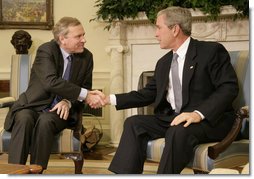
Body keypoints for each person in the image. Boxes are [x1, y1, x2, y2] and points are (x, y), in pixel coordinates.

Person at [103, 6, 239, 174]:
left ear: (175, 29)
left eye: (159, 27)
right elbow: (147, 94)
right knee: (133, 123)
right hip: (175, 118)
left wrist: (197, 113)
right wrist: (109, 99)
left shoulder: (210, 51)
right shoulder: (164, 62)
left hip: (209, 120)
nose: (156, 33)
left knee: (177, 131)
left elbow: (228, 87)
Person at [4, 17, 104, 172]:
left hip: (59, 112)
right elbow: (51, 81)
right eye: (78, 36)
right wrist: (86, 94)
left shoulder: (86, 57)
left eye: (83, 35)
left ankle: (37, 172)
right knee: (24, 119)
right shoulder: (46, 50)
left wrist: (68, 101)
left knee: (46, 121)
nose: (84, 40)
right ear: (62, 39)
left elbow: (85, 88)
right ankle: (15, 172)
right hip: (33, 104)